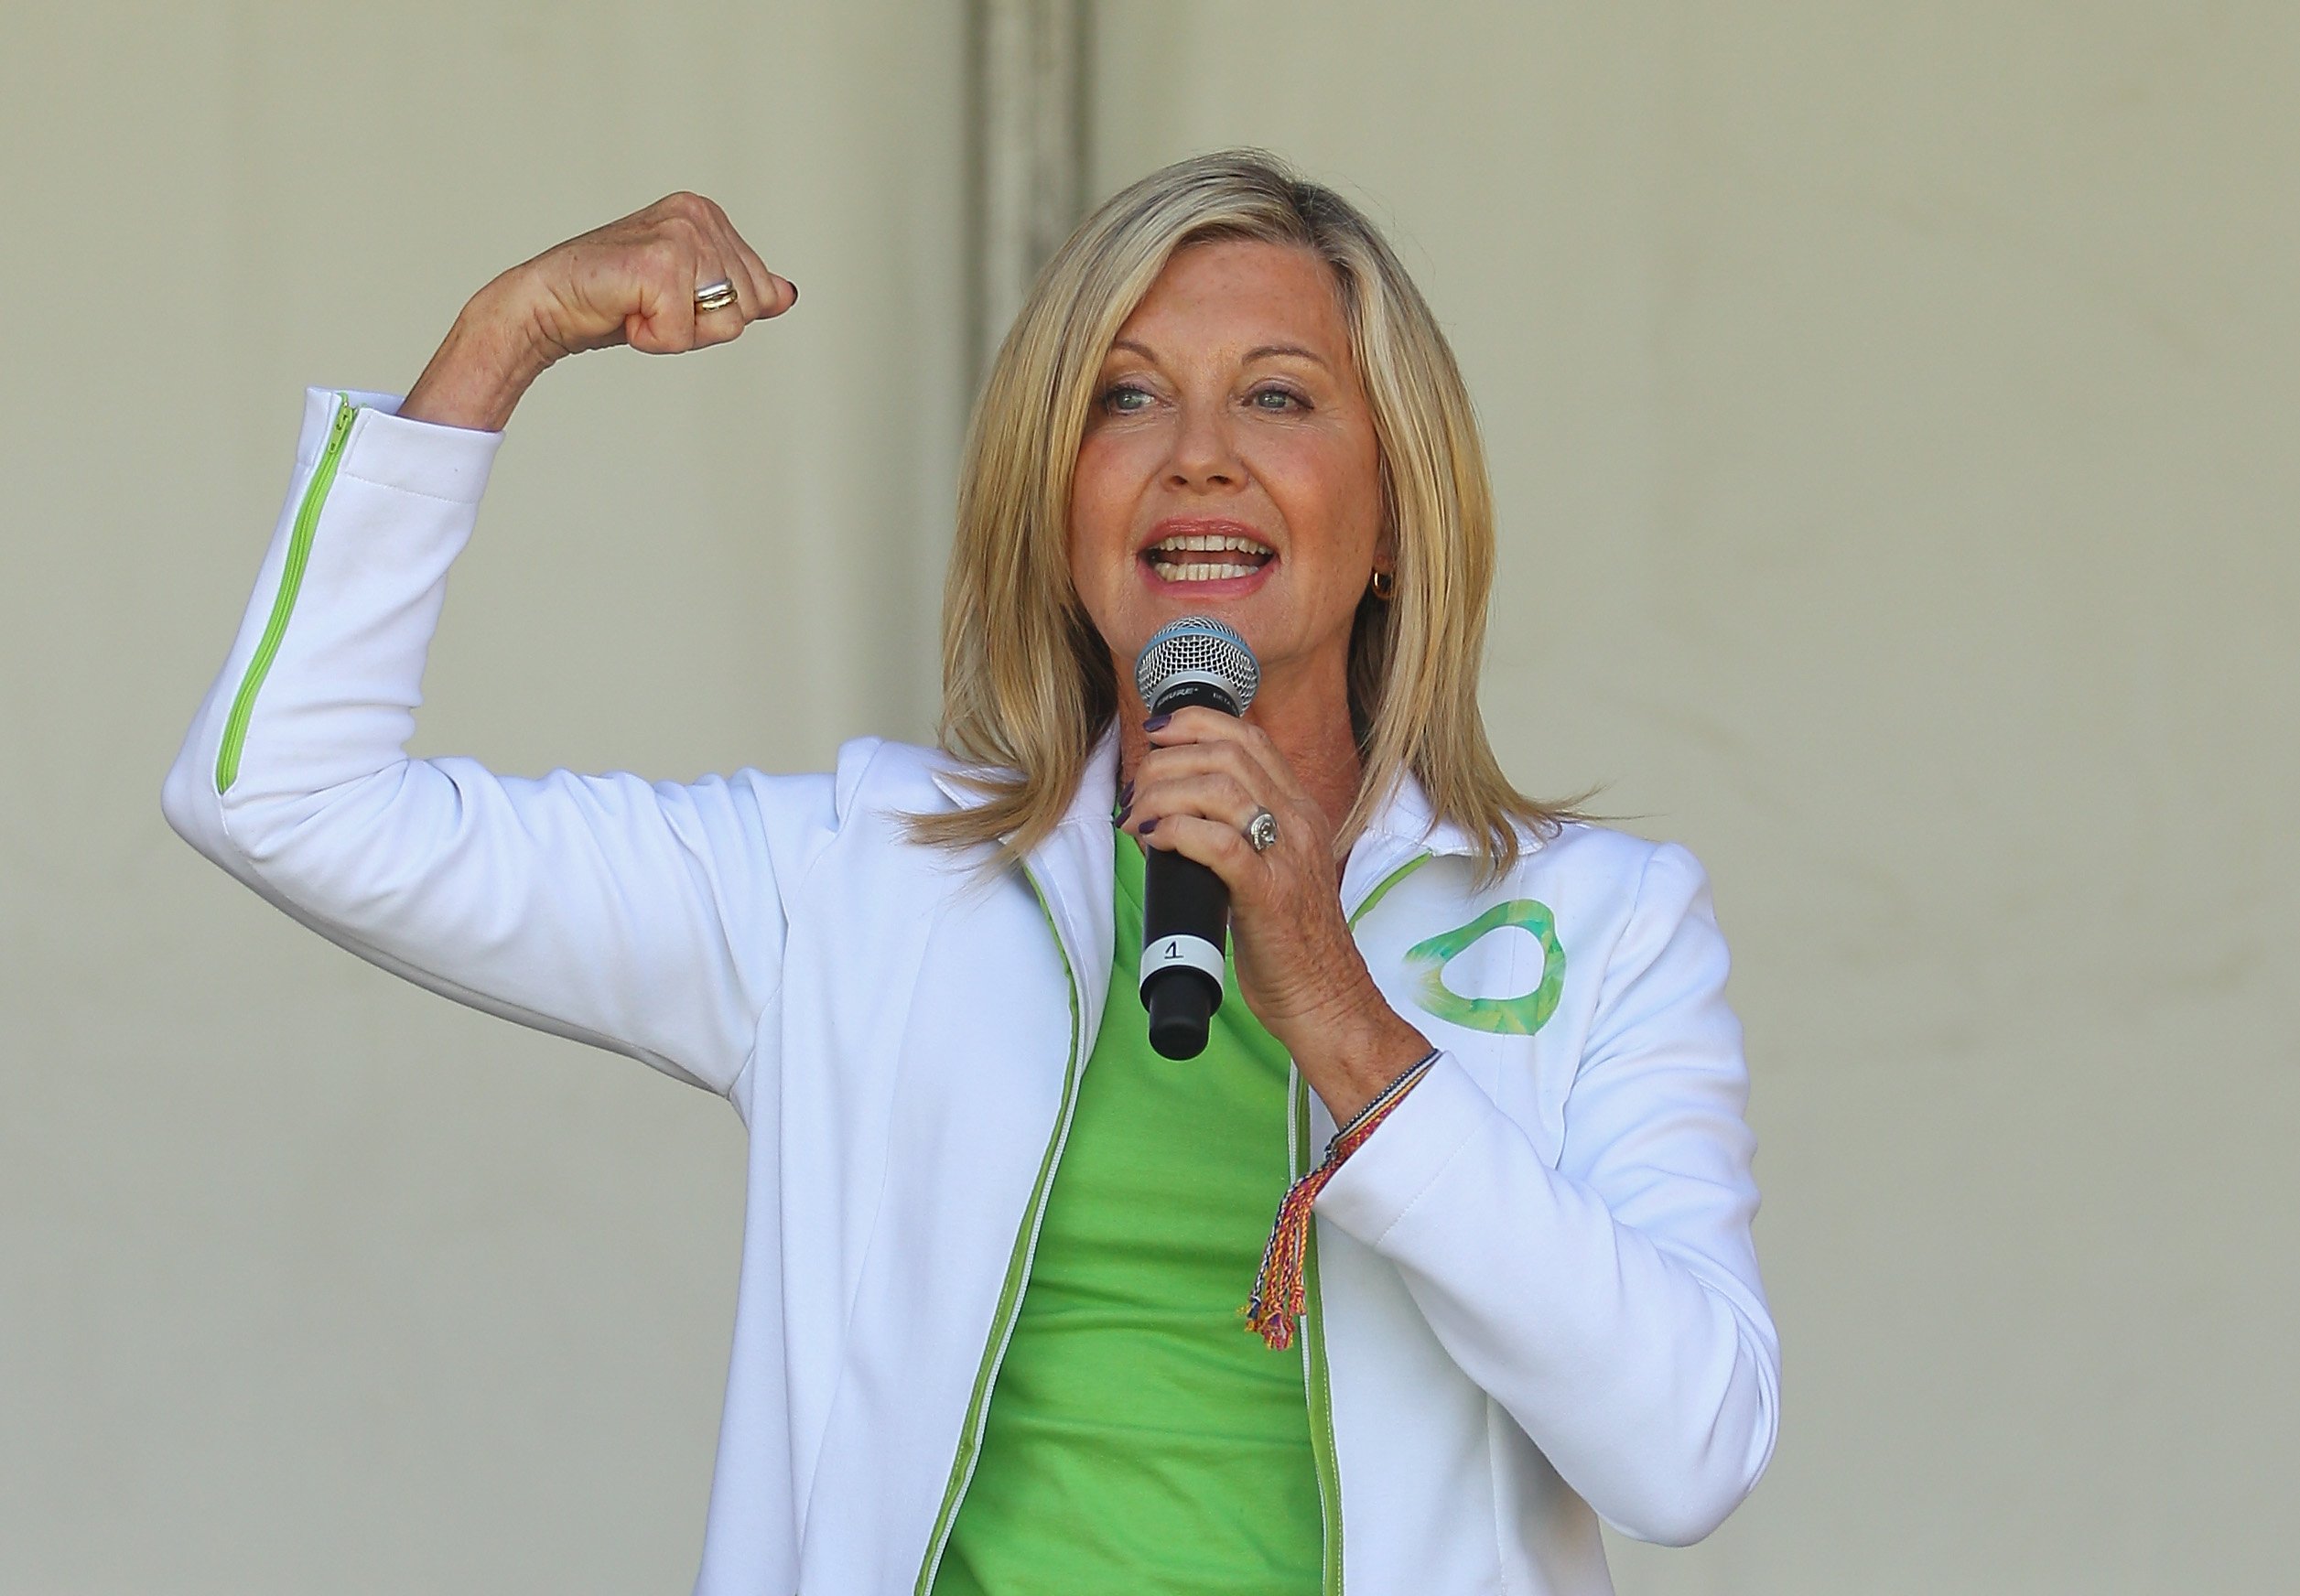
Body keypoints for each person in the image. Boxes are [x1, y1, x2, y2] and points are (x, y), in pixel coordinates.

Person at [164, 149, 1777, 1595]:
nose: (1197, 455)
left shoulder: (1600, 924)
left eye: (1278, 397)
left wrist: (1344, 1019)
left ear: (1393, 524)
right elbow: (286, 796)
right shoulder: (855, 884)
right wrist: (506, 333)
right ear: (1057, 506)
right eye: (1126, 398)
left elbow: (1686, 1456)